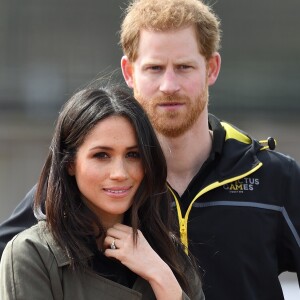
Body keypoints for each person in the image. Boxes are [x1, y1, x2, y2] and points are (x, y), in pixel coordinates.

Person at [1, 0, 300, 299]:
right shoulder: (90, 186)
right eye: (155, 68)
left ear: (212, 68)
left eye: (184, 67)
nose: (169, 85)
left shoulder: (275, 177)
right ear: (129, 72)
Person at [0, 86, 204, 300]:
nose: (120, 173)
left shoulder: (168, 256)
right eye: (102, 155)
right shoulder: (33, 256)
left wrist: (160, 277)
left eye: (133, 154)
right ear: (69, 163)